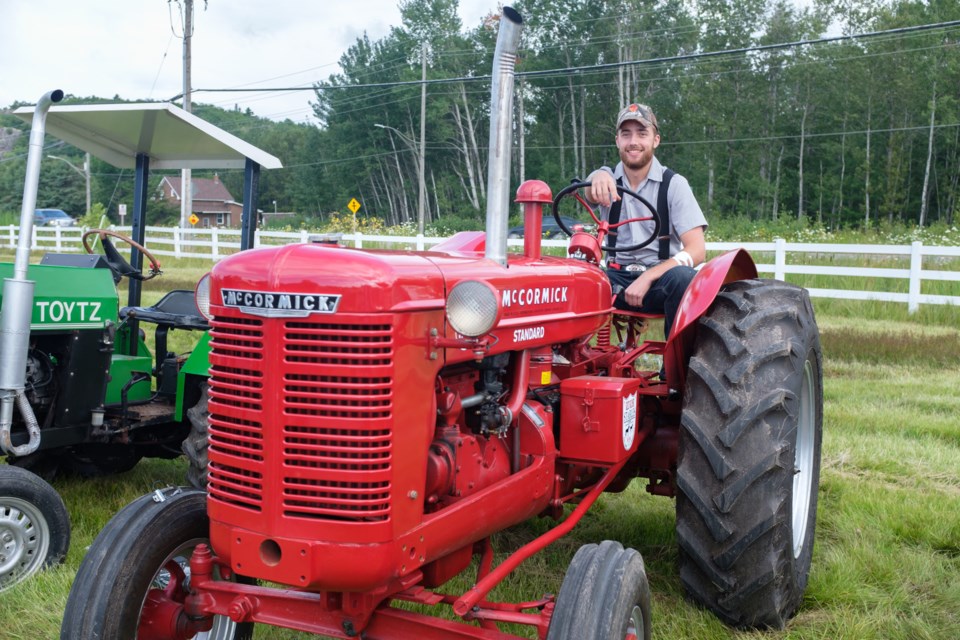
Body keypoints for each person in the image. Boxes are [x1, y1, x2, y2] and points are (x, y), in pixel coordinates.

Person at [585, 102, 707, 348]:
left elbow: (697, 250)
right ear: (617, 140)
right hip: (615, 279)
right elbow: (589, 192)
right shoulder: (606, 180)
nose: (634, 141)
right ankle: (574, 361)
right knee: (572, 278)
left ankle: (675, 376)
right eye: (626, 134)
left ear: (655, 140)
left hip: (659, 282)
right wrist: (596, 175)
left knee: (684, 279)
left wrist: (649, 277)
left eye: (642, 133)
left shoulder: (674, 184)